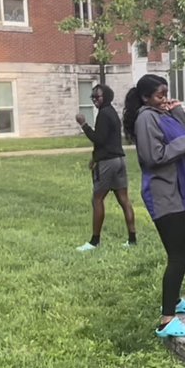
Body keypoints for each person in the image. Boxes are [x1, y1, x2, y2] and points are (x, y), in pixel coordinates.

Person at [122, 74, 185, 338]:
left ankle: (174, 300)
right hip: (164, 195)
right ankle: (167, 320)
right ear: (145, 97)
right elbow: (153, 156)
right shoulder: (146, 118)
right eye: (160, 95)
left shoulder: (164, 114)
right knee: (178, 254)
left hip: (181, 194)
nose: (164, 99)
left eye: (166, 94)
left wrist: (178, 110)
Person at [75, 84, 138, 251]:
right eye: (93, 97)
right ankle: (132, 239)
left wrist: (83, 124)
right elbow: (108, 140)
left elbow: (99, 139)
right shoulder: (112, 112)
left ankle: (94, 242)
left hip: (107, 163)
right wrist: (94, 157)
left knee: (97, 199)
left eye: (97, 97)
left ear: (107, 97)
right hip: (119, 159)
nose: (94, 99)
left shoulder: (103, 114)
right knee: (124, 200)